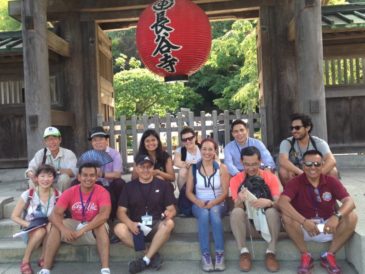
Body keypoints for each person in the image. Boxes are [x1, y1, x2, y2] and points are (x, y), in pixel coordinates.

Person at [277, 150, 357, 274]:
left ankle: (329, 255)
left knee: (351, 216)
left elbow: (350, 202)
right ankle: (305, 255)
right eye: (308, 164)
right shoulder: (295, 182)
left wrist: (336, 217)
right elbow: (282, 202)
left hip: (328, 227)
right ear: (303, 165)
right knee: (287, 216)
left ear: (322, 165)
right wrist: (303, 221)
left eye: (317, 164)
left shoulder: (331, 181)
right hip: (304, 228)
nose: (313, 167)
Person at [38, 162, 112, 274]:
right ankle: (45, 269)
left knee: (101, 225)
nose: (88, 178)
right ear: (79, 177)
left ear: (96, 177)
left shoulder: (103, 192)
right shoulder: (70, 191)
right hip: (75, 224)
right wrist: (64, 229)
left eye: (92, 175)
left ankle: (105, 269)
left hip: (92, 228)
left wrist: (82, 231)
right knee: (55, 226)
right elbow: (54, 214)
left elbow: (104, 215)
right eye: (85, 175)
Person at [114, 154, 176, 274]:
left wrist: (170, 213)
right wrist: (130, 224)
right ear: (136, 168)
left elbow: (172, 208)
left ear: (153, 168)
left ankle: (144, 260)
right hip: (136, 228)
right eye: (142, 167)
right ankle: (150, 255)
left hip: (156, 226)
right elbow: (120, 212)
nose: (146, 170)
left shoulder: (163, 185)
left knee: (169, 223)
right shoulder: (129, 187)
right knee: (118, 228)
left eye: (149, 167)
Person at [229, 146, 281, 272]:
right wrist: (240, 200)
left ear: (260, 161)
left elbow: (280, 202)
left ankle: (271, 252)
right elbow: (237, 207)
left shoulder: (270, 177)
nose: (251, 168)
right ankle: (244, 252)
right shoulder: (236, 180)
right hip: (248, 226)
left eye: (255, 164)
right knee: (236, 212)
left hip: (268, 224)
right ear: (241, 162)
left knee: (272, 211)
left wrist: (269, 202)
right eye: (247, 164)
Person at [186, 138, 229, 272]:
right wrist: (198, 202)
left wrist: (213, 203)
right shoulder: (194, 168)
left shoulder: (222, 168)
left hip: (219, 202)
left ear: (215, 151)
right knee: (204, 214)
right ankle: (205, 255)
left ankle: (220, 254)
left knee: (214, 213)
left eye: (210, 149)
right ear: (200, 150)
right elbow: (188, 192)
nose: (207, 152)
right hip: (199, 203)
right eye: (204, 149)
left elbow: (225, 193)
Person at [11, 165, 60, 274]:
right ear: (36, 178)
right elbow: (14, 216)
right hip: (32, 231)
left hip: (49, 232)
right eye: (42, 176)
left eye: (49, 176)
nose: (46, 179)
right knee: (40, 231)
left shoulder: (57, 195)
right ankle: (25, 261)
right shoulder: (29, 194)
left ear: (53, 178)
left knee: (50, 225)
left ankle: (44, 258)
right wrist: (29, 224)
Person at [278, 113, 338, 186]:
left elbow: (331, 160)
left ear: (307, 128)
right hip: (298, 172)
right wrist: (302, 174)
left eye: (297, 128)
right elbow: (282, 161)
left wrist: (316, 175)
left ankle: (327, 195)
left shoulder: (319, 142)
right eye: (292, 128)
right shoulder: (287, 143)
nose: (293, 131)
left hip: (315, 170)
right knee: (283, 171)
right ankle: (291, 195)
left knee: (333, 171)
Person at [84, 126, 125, 220]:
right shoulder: (88, 156)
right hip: (96, 183)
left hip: (111, 183)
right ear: (91, 143)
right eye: (95, 140)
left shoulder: (114, 154)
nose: (98, 142)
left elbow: (117, 174)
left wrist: (101, 174)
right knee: (77, 183)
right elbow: (84, 174)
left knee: (119, 183)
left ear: (107, 140)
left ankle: (118, 214)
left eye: (101, 139)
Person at [25, 126, 77, 191]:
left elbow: (73, 172)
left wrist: (55, 171)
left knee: (65, 178)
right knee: (31, 180)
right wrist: (31, 174)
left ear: (60, 139)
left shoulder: (68, 153)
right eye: (48, 140)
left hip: (60, 184)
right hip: (44, 183)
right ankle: (36, 200)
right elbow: (31, 168)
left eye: (54, 138)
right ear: (45, 142)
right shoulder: (41, 153)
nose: (52, 142)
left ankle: (62, 200)